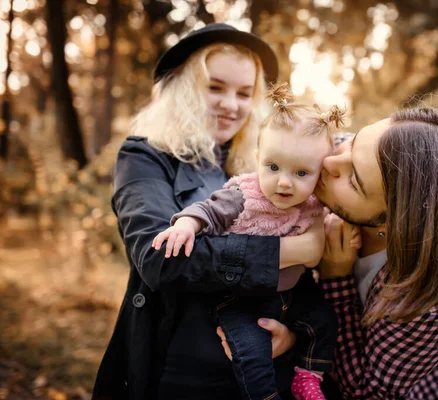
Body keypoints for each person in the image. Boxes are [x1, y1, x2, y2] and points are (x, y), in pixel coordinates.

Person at [92, 24, 326, 400]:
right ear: (184, 89)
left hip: (256, 364)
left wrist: (292, 333)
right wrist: (296, 251)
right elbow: (158, 259)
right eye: (215, 87)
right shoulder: (145, 157)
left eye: (244, 93)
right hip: (180, 366)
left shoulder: (266, 165)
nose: (231, 105)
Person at [243, 108, 438, 399]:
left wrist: (335, 278)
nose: (329, 162)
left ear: (395, 222)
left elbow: (366, 390)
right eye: (353, 142)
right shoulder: (351, 154)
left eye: (353, 182)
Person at [152, 84, 348, 400]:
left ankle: (308, 375)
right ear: (258, 160)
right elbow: (208, 210)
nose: (284, 181)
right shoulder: (244, 194)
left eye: (301, 172)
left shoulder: (314, 200)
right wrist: (186, 224)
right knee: (251, 353)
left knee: (324, 320)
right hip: (243, 298)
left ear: (319, 174)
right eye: (273, 167)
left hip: (294, 293)